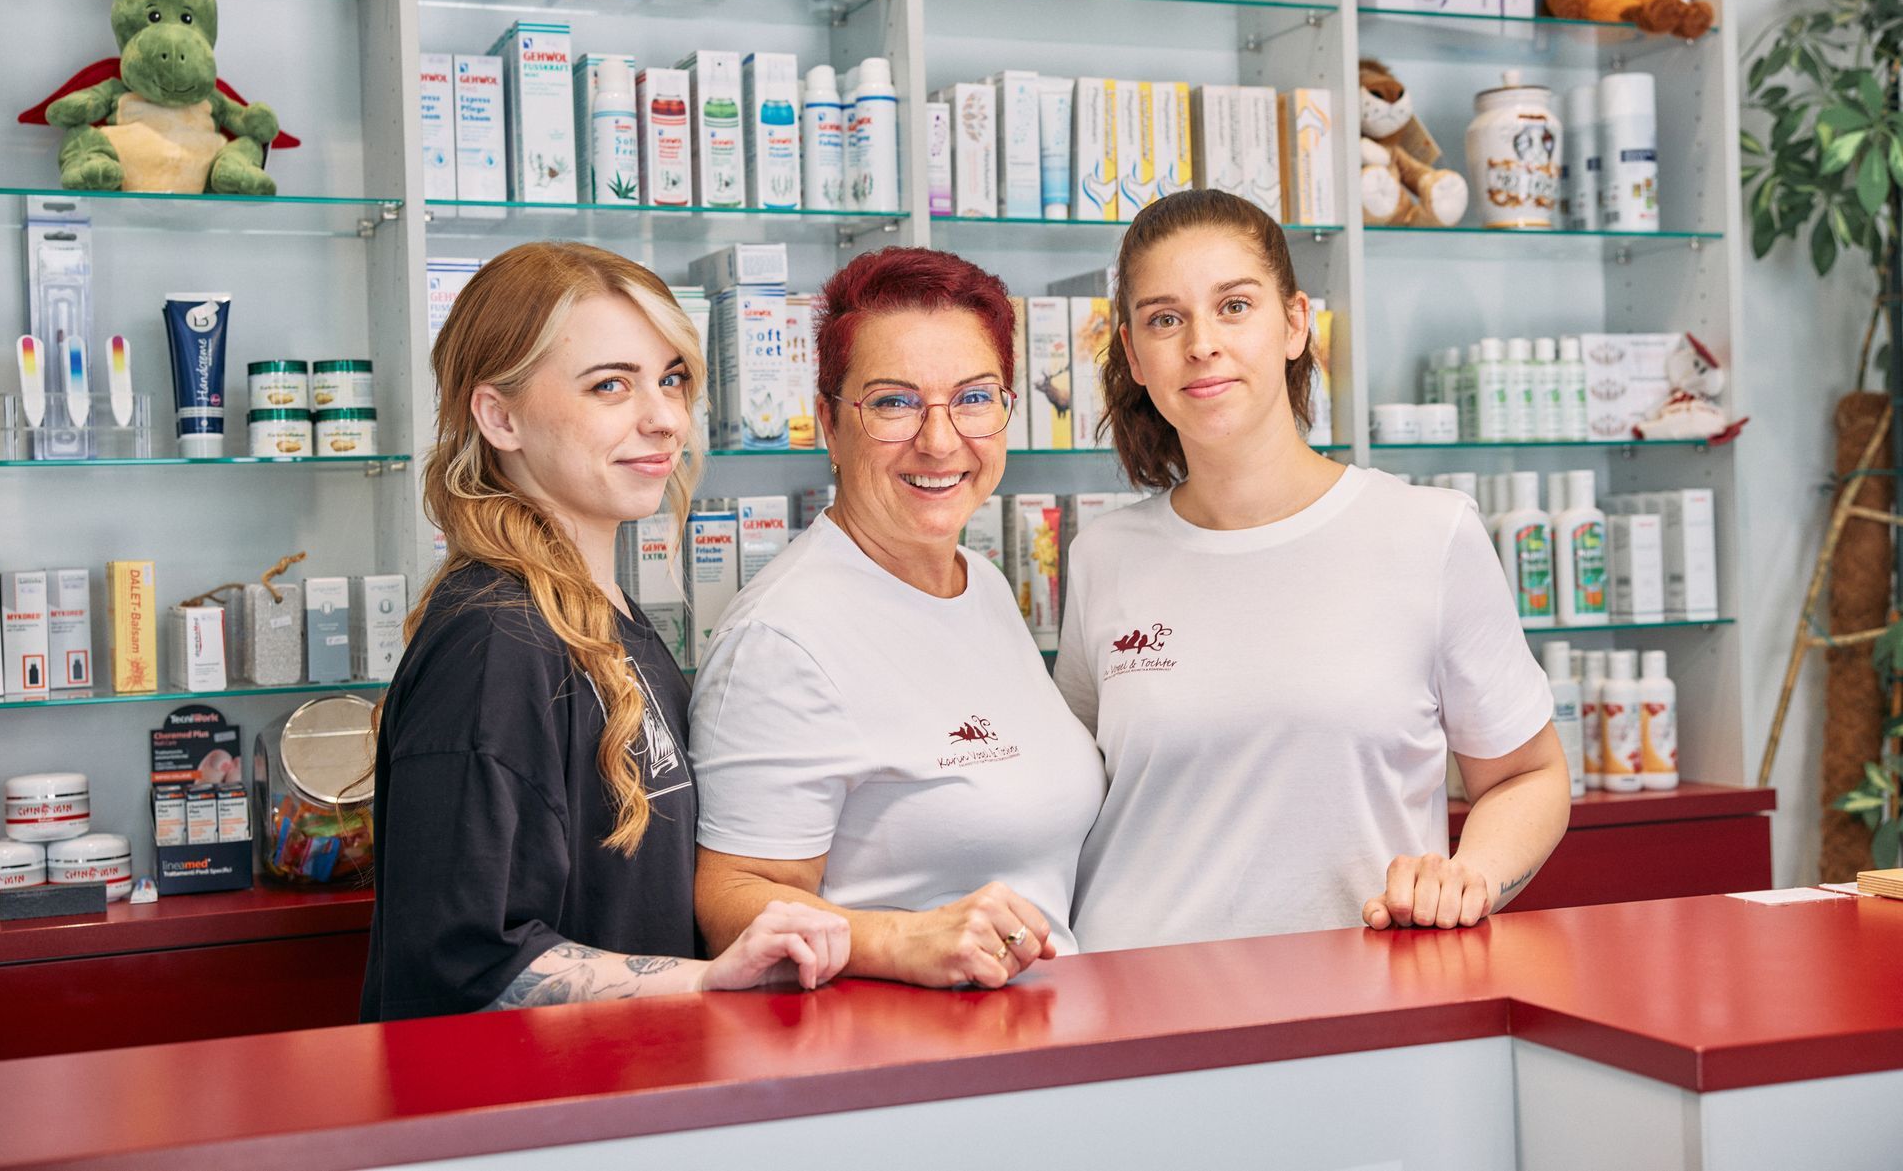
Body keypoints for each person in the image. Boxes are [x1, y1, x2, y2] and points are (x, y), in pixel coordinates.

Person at [1056, 190, 1571, 952]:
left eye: (1234, 306)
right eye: (1166, 319)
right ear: (1133, 354)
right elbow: (1066, 798)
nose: (1202, 343)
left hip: (1359, 991)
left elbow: (1530, 774)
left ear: (1296, 323)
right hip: (1129, 989)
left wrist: (1472, 876)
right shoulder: (1103, 555)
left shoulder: (1429, 534)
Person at [360, 241, 847, 1021]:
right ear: (500, 416)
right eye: (610, 385)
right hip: (546, 1099)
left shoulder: (609, 617)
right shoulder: (495, 641)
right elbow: (459, 965)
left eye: (671, 379)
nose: (663, 419)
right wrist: (705, 981)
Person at [689, 247, 1106, 989]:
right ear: (829, 423)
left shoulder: (980, 582)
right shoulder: (782, 638)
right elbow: (732, 899)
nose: (939, 441)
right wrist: (902, 938)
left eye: (973, 397)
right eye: (893, 403)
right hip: (899, 1049)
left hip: (1041, 1031)